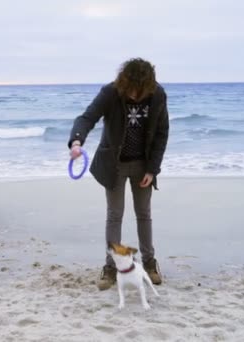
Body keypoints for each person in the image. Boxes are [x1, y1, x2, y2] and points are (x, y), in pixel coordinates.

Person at [68, 58, 169, 290]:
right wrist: (76, 142)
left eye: (140, 91)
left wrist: (153, 169)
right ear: (124, 83)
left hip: (143, 166)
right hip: (114, 164)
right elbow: (87, 118)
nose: (135, 95)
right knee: (115, 215)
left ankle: (150, 263)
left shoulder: (158, 95)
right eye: (132, 90)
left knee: (144, 214)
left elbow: (162, 133)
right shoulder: (111, 92)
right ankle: (112, 267)